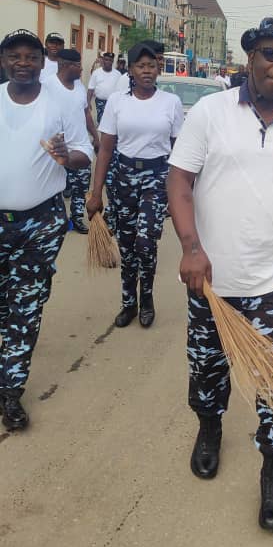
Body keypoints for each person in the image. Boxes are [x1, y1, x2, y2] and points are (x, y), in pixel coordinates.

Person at [167, 17, 273, 531]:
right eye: (270, 53)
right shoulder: (211, 112)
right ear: (250, 58)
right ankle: (210, 428)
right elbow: (180, 179)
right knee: (208, 367)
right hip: (210, 279)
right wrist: (191, 248)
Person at [0, 29, 92, 431]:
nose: (23, 62)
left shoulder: (61, 105)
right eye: (15, 56)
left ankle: (10, 392)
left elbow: (85, 154)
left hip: (40, 223)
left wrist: (65, 156)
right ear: (4, 61)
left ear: (43, 62)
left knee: (25, 308)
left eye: (31, 56)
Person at [87, 42, 183, 328]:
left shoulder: (171, 102)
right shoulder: (118, 102)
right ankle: (129, 302)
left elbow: (179, 150)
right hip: (123, 177)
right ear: (130, 70)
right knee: (127, 246)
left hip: (156, 177)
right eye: (141, 66)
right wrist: (96, 193)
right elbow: (105, 150)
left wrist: (181, 191)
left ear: (158, 69)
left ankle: (148, 298)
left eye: (151, 66)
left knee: (145, 242)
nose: (147, 71)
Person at [46, 49, 100, 234]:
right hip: (57, 149)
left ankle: (77, 218)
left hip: (81, 148)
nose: (81, 70)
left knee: (80, 188)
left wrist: (95, 136)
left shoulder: (79, 87)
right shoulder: (47, 85)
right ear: (65, 65)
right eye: (78, 66)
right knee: (55, 189)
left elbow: (86, 113)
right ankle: (56, 222)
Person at [87, 51, 120, 123]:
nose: (108, 62)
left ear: (113, 61)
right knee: (102, 121)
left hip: (113, 103)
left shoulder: (117, 74)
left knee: (112, 121)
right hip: (100, 102)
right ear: (103, 60)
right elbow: (90, 88)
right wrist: (88, 102)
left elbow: (121, 90)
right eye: (106, 59)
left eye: (110, 60)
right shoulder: (96, 73)